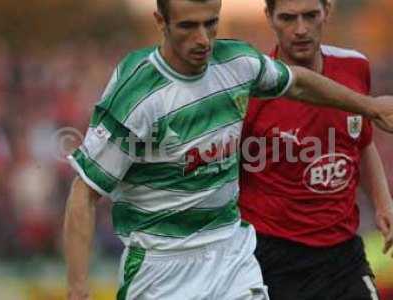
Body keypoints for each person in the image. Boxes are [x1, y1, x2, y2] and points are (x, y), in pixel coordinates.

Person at [63, 0, 393, 299]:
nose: (204, 39)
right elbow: (84, 193)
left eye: (211, 23)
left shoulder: (238, 64)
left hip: (233, 254)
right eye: (188, 26)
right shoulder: (137, 94)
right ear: (160, 22)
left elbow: (300, 83)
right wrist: (78, 289)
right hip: (162, 264)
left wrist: (370, 107)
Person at [239, 0, 393, 299]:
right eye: (287, 18)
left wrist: (384, 202)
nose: (301, 30)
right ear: (269, 17)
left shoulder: (355, 66)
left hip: (342, 255)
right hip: (271, 259)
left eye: (310, 15)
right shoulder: (250, 88)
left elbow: (362, 142)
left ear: (327, 11)